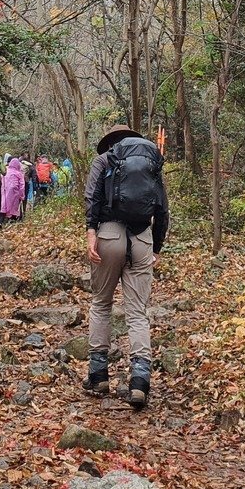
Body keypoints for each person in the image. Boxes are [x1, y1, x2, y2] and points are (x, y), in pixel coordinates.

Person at [83, 123, 169, 410]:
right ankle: (140, 382)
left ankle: (98, 376)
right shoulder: (151, 161)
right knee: (137, 313)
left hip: (108, 235)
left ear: (111, 141)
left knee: (101, 303)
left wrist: (91, 233)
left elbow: (92, 198)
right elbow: (162, 208)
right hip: (142, 237)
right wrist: (155, 246)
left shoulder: (103, 159)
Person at [0, 154, 26, 225]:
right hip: (15, 192)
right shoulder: (19, 173)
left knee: (4, 205)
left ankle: (1, 221)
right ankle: (13, 220)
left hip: (4, 191)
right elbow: (22, 186)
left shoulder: (6, 170)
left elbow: (1, 179)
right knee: (14, 206)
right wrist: (22, 196)